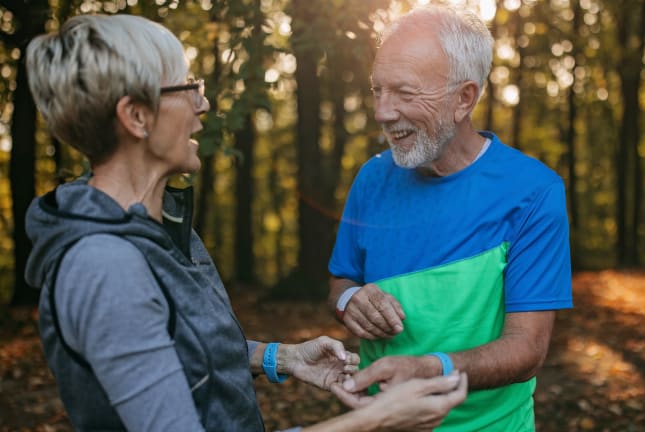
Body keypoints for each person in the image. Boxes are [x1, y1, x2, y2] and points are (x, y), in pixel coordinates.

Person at [24, 13, 467, 432]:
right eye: (186, 87)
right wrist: (372, 421)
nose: (203, 103)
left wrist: (282, 358)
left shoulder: (162, 226)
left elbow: (185, 353)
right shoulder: (104, 265)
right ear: (136, 116)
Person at [327, 5, 573, 431]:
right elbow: (340, 283)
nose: (383, 112)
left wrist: (430, 368)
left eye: (404, 93)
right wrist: (350, 300)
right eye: (377, 90)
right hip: (377, 423)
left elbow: (528, 348)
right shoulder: (371, 179)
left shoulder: (534, 191)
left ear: (464, 99)